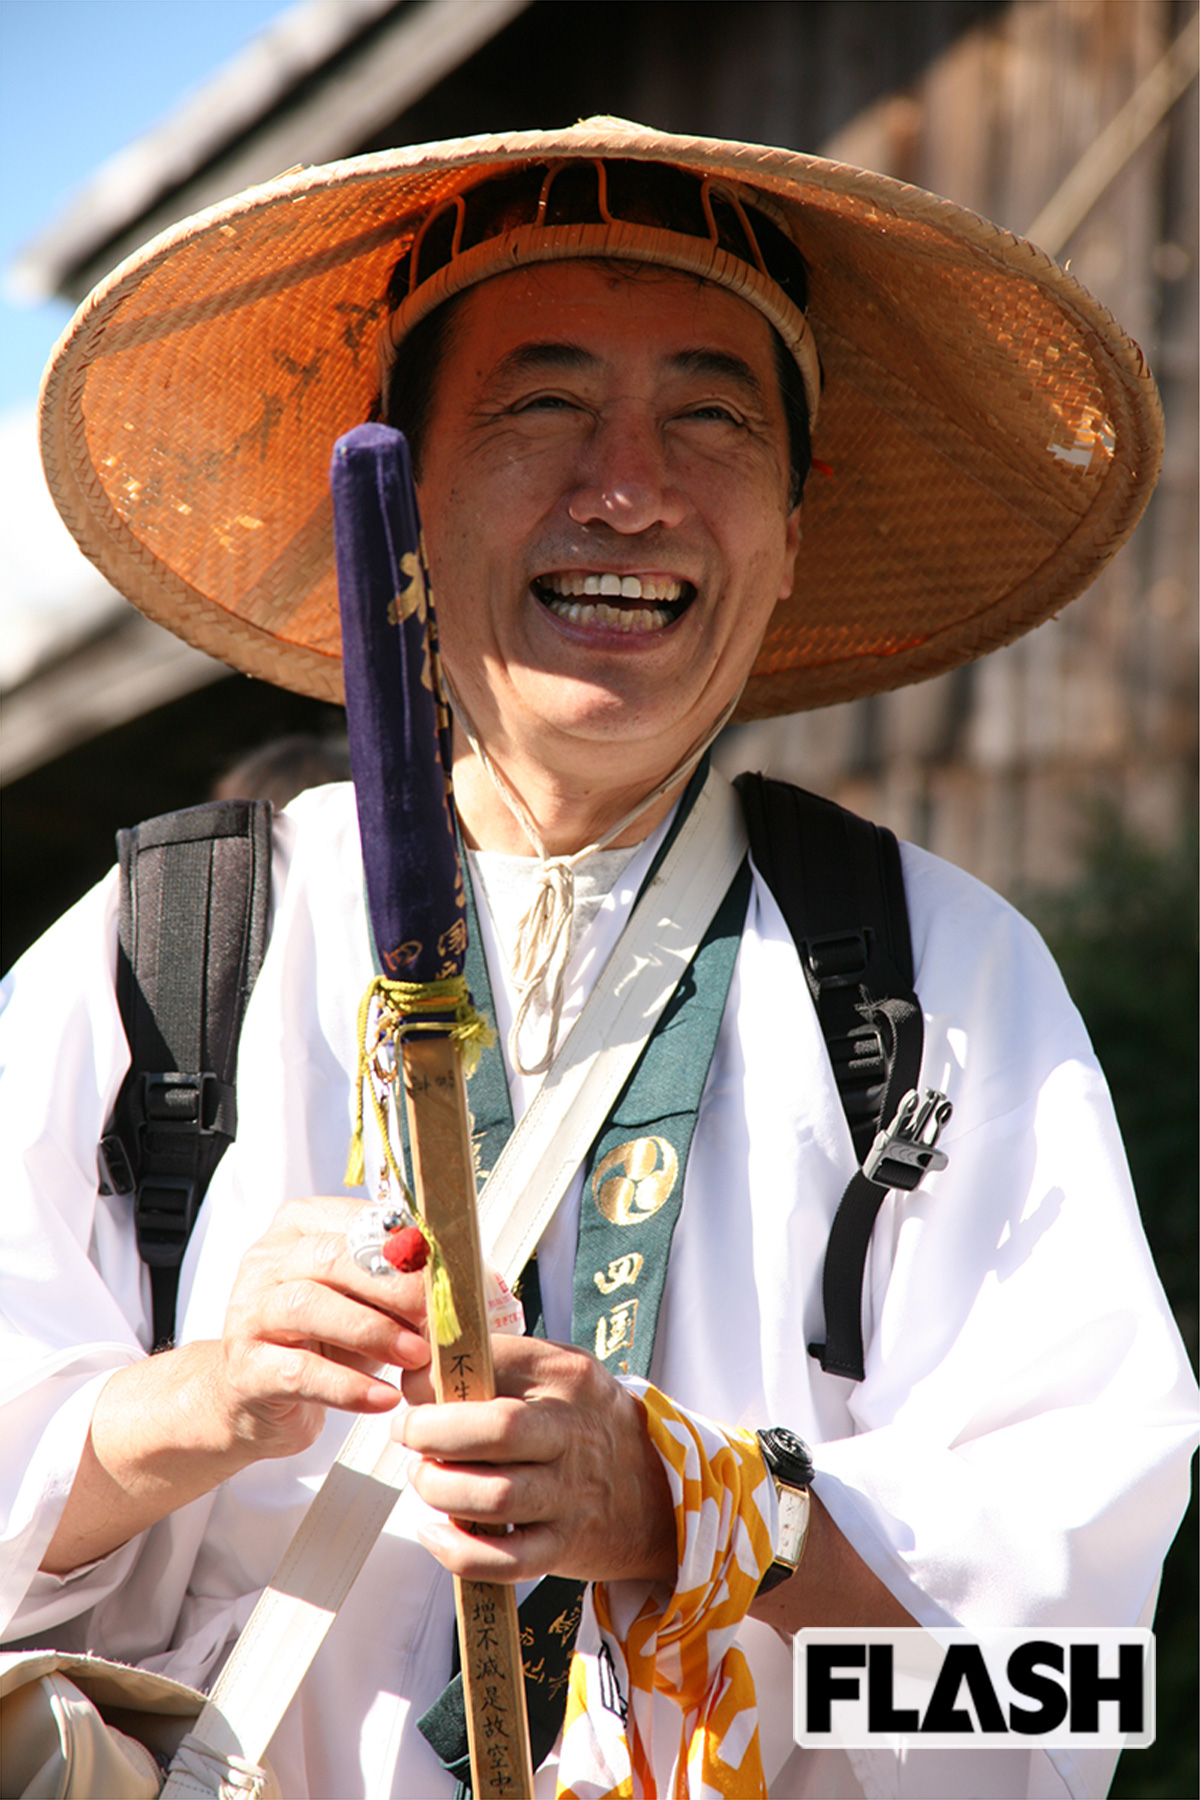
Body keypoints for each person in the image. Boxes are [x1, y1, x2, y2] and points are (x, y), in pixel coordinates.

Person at [2, 120, 1196, 1798]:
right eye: (540, 404)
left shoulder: (939, 989)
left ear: (792, 522)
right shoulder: (169, 955)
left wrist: (695, 1516)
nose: (626, 489)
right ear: (400, 492)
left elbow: (1065, 1710)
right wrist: (194, 1407)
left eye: (711, 417)